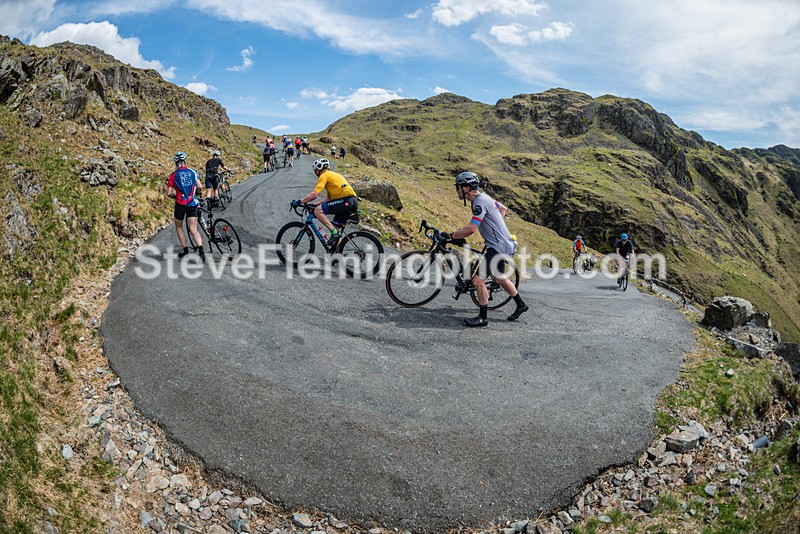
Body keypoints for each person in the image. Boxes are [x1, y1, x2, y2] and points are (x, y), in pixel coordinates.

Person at [441, 171, 528, 327]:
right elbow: (502, 209)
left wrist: (451, 236)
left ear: (466, 187)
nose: (456, 191)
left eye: (458, 187)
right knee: (499, 278)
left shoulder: (479, 202)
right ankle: (521, 305)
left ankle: (483, 318)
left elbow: (472, 229)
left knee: (477, 279)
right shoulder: (485, 198)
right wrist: (497, 228)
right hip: (502, 244)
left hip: (498, 247)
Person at [290, 158, 357, 247]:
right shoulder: (333, 175)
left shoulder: (324, 175)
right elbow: (329, 198)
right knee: (334, 228)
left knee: (318, 211)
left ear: (318, 169)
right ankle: (337, 256)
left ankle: (334, 233)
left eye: (315, 171)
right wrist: (316, 204)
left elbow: (314, 194)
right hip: (352, 201)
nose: (315, 173)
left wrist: (299, 202)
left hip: (345, 201)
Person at [167, 151, 205, 261]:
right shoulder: (193, 172)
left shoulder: (173, 175)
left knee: (179, 226)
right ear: (185, 162)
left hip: (180, 204)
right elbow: (200, 186)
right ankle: (201, 248)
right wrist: (196, 193)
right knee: (193, 228)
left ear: (176, 164)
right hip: (192, 203)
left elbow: (169, 193)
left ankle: (185, 250)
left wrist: (175, 196)